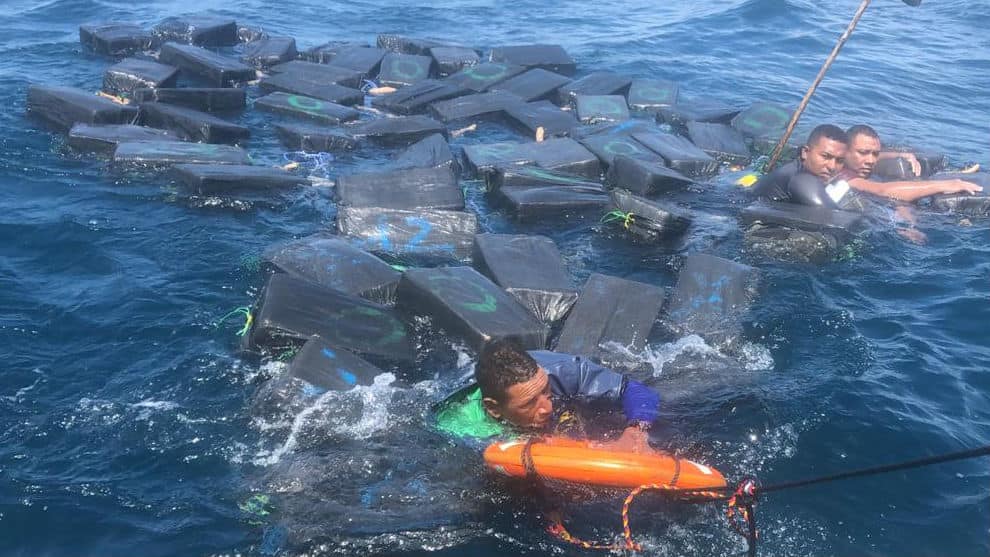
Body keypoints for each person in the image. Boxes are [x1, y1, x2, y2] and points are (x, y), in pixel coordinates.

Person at [435, 340, 661, 453]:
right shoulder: (459, 426)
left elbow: (637, 390)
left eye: (545, 392)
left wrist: (636, 431)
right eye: (530, 403)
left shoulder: (561, 372)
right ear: (493, 408)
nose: (547, 408)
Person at [842, 124, 983, 202]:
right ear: (844, 151)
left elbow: (878, 155)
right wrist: (946, 184)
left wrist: (904, 155)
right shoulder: (843, 175)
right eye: (863, 153)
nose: (871, 160)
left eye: (875, 154)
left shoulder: (853, 163)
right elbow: (883, 190)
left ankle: (941, 175)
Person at [750, 124, 850, 208]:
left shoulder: (795, 168)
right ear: (805, 152)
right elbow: (832, 215)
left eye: (840, 161)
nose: (832, 166)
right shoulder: (802, 179)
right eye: (825, 156)